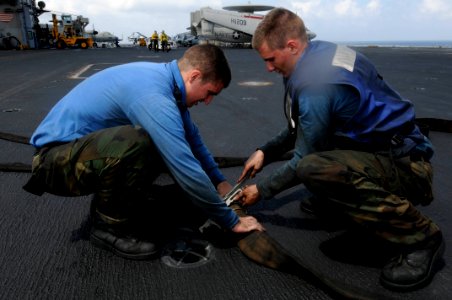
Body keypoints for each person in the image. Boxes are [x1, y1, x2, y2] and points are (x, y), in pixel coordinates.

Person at [237, 8, 444, 291]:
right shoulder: (319, 54)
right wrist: (265, 151)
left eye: (271, 59)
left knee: (313, 168)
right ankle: (342, 200)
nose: (269, 68)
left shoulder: (317, 87)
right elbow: (304, 126)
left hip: (408, 166)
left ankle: (421, 238)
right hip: (384, 148)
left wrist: (261, 190)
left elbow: (303, 157)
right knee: (319, 159)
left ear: (293, 46)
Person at [23, 44, 264, 260]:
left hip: (80, 153)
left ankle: (128, 201)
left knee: (162, 141)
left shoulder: (166, 82)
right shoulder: (153, 95)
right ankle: (107, 227)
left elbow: (194, 143)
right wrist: (232, 221)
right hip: (54, 163)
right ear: (194, 76)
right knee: (140, 141)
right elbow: (184, 165)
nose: (208, 101)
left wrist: (220, 184)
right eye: (210, 92)